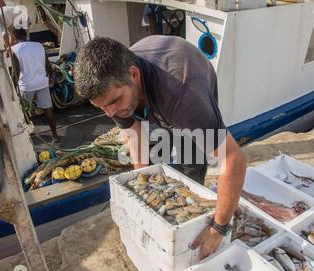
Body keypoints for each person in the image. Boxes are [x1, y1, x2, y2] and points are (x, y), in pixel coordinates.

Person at [74, 36, 247, 259]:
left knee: (190, 162)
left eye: (113, 102)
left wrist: (219, 228)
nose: (110, 113)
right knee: (154, 154)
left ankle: (190, 225)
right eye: (101, 107)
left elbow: (234, 159)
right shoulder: (115, 93)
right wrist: (140, 184)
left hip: (188, 75)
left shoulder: (185, 99)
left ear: (134, 75)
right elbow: (134, 133)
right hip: (150, 84)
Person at [11, 27, 60, 143]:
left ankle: (26, 137)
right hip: (42, 83)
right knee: (48, 110)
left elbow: (16, 72)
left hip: (27, 86)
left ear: (14, 36)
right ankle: (55, 134)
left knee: (24, 113)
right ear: (26, 34)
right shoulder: (39, 46)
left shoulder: (14, 49)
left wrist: (13, 88)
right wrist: (51, 77)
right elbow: (47, 65)